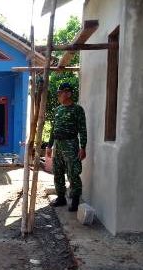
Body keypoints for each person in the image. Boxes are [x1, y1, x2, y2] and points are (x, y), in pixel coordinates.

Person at [46, 82, 87, 212]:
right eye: (58, 93)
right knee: (57, 172)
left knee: (73, 172)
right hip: (58, 145)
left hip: (71, 144)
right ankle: (61, 197)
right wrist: (49, 145)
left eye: (60, 92)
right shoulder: (58, 110)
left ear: (68, 93)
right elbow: (53, 129)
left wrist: (83, 147)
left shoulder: (77, 109)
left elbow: (82, 129)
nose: (58, 95)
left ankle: (75, 200)